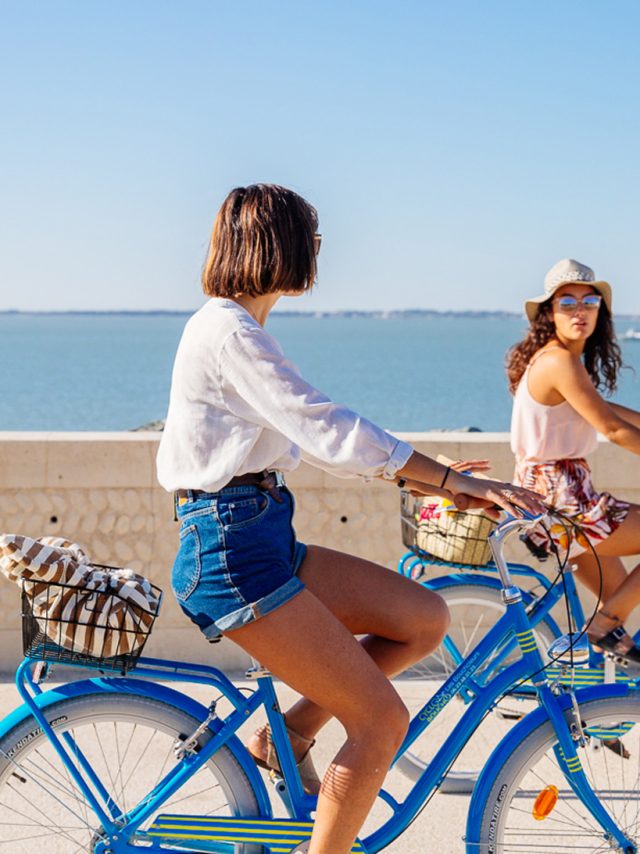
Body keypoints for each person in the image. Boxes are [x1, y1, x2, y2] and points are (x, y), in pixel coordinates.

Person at [157, 183, 544, 854]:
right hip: (232, 550)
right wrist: (443, 477)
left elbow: (315, 440)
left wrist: (438, 476)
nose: (317, 250)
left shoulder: (240, 328)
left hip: (260, 532)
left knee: (423, 619)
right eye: (313, 238)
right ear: (277, 244)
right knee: (381, 722)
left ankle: (290, 737)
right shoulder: (227, 331)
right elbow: (324, 425)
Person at [507, 257, 640, 664]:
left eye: (589, 301)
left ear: (600, 311)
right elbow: (613, 430)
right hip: (564, 505)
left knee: (619, 629)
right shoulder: (559, 361)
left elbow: (606, 410)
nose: (579, 311)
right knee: (610, 619)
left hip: (555, 501)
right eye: (567, 302)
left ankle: (602, 725)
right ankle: (603, 626)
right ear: (550, 311)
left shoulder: (558, 360)